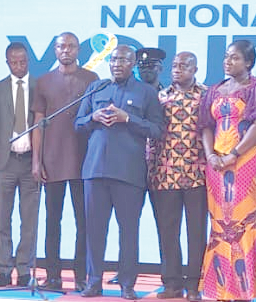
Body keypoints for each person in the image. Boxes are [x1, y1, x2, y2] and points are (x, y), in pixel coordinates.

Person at [75, 45, 164, 299]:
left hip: (129, 173)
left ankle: (127, 284)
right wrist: (93, 116)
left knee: (128, 231)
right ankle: (94, 282)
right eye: (113, 60)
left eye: (123, 60)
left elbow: (157, 130)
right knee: (94, 231)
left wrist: (128, 118)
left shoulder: (146, 92)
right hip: (95, 171)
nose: (116, 64)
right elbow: (78, 123)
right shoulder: (97, 88)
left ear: (133, 63)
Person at [197, 40, 256, 301]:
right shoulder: (214, 89)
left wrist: (234, 154)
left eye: (234, 58)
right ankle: (221, 287)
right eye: (226, 57)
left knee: (242, 219)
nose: (228, 62)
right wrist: (211, 155)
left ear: (248, 62)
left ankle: (246, 288)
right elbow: (206, 125)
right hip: (216, 164)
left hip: (248, 159)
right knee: (221, 222)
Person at [31, 32, 98, 291]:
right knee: (52, 221)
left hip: (84, 162)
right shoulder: (44, 81)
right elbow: (38, 123)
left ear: (78, 50)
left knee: (84, 222)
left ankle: (82, 275)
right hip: (52, 160)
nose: (66, 50)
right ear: (55, 50)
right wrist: (37, 161)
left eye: (70, 46)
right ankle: (53, 276)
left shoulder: (92, 79)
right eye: (61, 46)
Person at [147, 51, 208, 302]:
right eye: (174, 65)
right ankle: (171, 283)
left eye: (184, 65)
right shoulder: (160, 97)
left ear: (195, 69)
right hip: (166, 173)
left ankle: (194, 285)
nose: (177, 69)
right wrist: (150, 168)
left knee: (196, 232)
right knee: (168, 231)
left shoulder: (206, 95)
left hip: (197, 174)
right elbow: (151, 137)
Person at [107, 46, 167, 286]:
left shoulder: (168, 95)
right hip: (131, 168)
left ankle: (169, 274)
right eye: (142, 67)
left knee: (165, 224)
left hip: (162, 169)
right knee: (129, 224)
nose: (146, 71)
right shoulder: (128, 92)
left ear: (160, 68)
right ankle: (125, 271)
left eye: (150, 67)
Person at [0, 42, 39, 288]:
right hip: (4, 164)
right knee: (2, 220)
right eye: (14, 62)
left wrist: (41, 161)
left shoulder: (40, 87)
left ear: (28, 61)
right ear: (7, 63)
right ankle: (4, 269)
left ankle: (25, 269)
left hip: (30, 163)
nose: (19, 66)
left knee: (29, 221)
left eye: (23, 62)